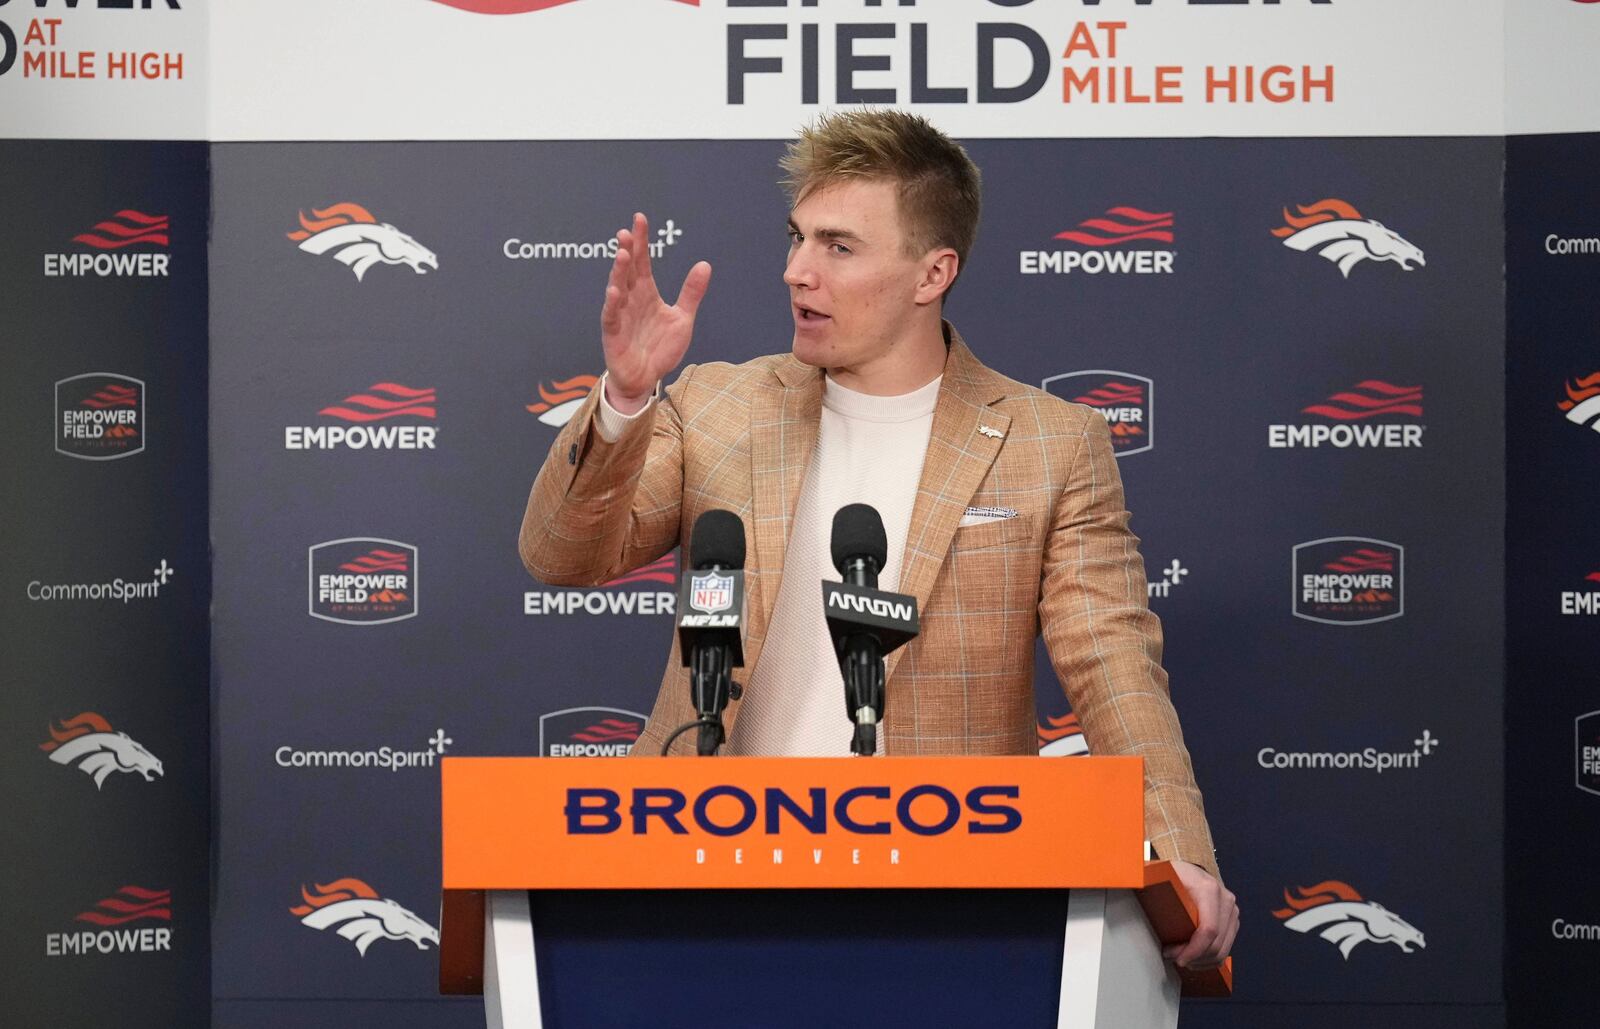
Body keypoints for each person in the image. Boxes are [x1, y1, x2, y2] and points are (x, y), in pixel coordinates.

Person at [519, 110, 1238, 968]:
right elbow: (561, 555)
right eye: (796, 240)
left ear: (933, 271)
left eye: (839, 247)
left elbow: (1113, 663)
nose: (796, 272)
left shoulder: (1052, 444)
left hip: (948, 901)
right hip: (701, 880)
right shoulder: (716, 404)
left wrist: (1177, 845)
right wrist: (627, 398)